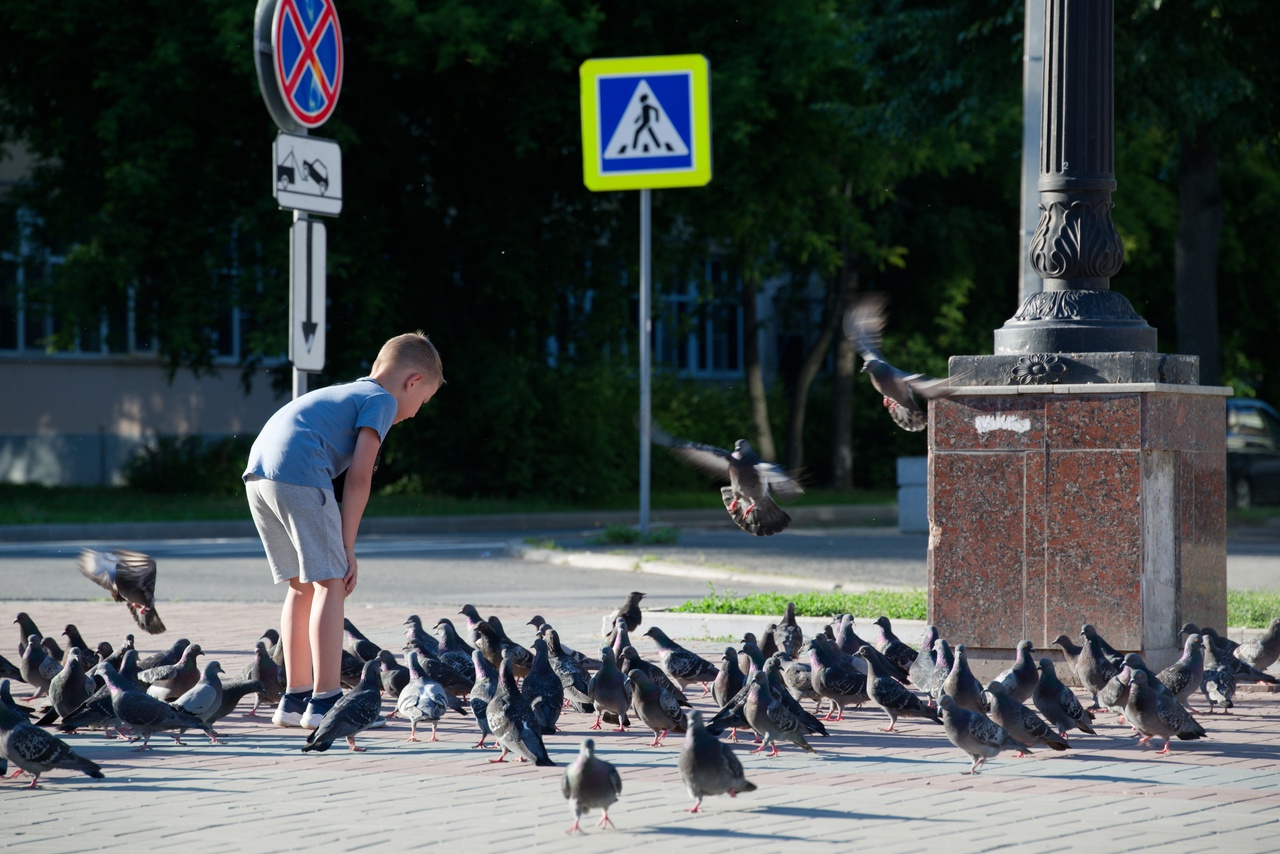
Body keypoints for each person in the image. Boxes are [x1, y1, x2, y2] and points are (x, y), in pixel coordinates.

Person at [243, 331, 443, 729]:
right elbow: (359, 479)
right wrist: (346, 548)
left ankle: (294, 700)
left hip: (259, 476)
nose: (416, 413)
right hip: (299, 475)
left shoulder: (347, 393)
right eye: (422, 402)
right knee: (331, 583)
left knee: (301, 585)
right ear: (413, 382)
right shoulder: (382, 400)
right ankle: (326, 701)